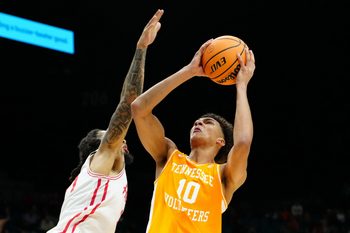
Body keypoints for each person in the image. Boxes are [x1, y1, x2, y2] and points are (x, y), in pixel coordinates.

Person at [47, 9, 164, 233]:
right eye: (111, 137)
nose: (121, 139)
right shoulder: (100, 162)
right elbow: (128, 103)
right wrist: (141, 48)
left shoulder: (106, 178)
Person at [131, 40, 255, 232]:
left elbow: (243, 142)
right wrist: (188, 71)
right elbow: (139, 108)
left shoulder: (223, 176)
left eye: (208, 122)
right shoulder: (169, 156)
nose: (198, 123)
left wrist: (241, 86)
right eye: (197, 121)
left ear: (220, 141)